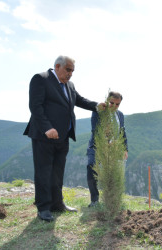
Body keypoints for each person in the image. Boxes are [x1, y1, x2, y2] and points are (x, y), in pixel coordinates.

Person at [24, 55, 105, 222]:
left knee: (57, 171)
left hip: (63, 136)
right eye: (68, 70)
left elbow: (79, 100)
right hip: (44, 135)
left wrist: (97, 106)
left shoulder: (70, 85)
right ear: (57, 66)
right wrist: (47, 127)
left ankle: (57, 203)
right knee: (44, 171)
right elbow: (35, 106)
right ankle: (44, 208)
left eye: (72, 71)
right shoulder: (41, 79)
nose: (70, 74)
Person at [86, 91, 128, 207]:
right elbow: (95, 131)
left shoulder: (120, 115)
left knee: (115, 173)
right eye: (112, 103)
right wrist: (107, 142)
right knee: (91, 167)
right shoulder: (98, 112)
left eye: (117, 104)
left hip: (115, 149)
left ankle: (112, 200)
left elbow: (122, 132)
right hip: (97, 146)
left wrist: (125, 149)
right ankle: (94, 200)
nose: (114, 106)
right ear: (107, 100)